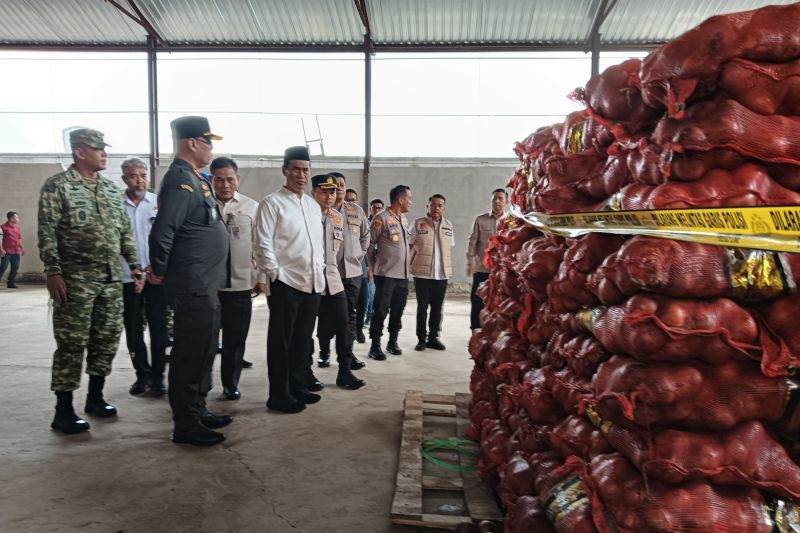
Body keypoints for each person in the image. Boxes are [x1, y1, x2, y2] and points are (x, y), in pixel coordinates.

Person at [38, 128, 143, 435]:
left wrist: (135, 265)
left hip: (111, 279)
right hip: (75, 279)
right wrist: (53, 272)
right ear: (80, 152)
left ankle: (95, 398)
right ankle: (63, 410)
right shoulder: (57, 186)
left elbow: (124, 231)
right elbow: (47, 230)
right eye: (98, 149)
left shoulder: (110, 189)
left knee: (106, 339)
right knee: (72, 343)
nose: (104, 154)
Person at [149, 116, 232, 447]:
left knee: (205, 351)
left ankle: (198, 409)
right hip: (192, 283)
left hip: (205, 283)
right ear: (192, 143)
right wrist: (159, 270)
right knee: (189, 355)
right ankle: (185, 424)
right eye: (208, 142)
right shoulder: (180, 181)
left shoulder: (196, 180)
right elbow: (163, 231)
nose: (211, 148)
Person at [254, 146, 325, 414]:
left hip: (312, 282)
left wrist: (320, 271)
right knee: (281, 343)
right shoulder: (272, 203)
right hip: (287, 283)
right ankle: (279, 395)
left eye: (306, 170)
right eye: (295, 169)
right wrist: (275, 274)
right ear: (285, 170)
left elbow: (316, 244)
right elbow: (262, 244)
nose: (301, 175)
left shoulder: (312, 205)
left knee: (302, 341)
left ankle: (297, 386)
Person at [211, 156, 266, 401]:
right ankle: (202, 384)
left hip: (241, 284)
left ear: (238, 179)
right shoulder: (202, 204)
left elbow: (260, 245)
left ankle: (230, 383)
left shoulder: (251, 207)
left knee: (235, 338)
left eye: (230, 179)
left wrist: (260, 277)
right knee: (207, 339)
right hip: (209, 286)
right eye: (219, 180)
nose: (225, 185)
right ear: (211, 180)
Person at [119, 158, 169, 397]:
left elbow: (168, 238)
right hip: (127, 277)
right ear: (124, 179)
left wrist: (160, 267)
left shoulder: (158, 203)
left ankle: (158, 377)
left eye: (143, 175)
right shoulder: (116, 205)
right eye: (133, 176)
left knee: (159, 328)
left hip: (156, 277)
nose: (139, 180)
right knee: (133, 328)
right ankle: (142, 375)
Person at [310, 174, 365, 389]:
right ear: (313, 193)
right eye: (323, 192)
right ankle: (305, 372)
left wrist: (356, 258)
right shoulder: (307, 215)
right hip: (310, 280)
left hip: (334, 279)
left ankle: (344, 372)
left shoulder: (337, 217)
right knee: (307, 329)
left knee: (345, 324)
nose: (329, 196)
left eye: (332, 191)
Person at [367, 185, 412, 360]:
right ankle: (375, 345)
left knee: (398, 310)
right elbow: (370, 244)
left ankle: (392, 341)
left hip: (402, 275)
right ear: (400, 200)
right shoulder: (381, 218)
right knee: (380, 310)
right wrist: (371, 267)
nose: (410, 202)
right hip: (386, 274)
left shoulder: (404, 219)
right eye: (409, 198)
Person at [409, 194, 455, 351]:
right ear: (428, 206)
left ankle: (433, 337)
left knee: (437, 308)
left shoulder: (448, 225)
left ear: (444, 208)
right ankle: (421, 339)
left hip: (441, 274)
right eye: (433, 205)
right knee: (422, 308)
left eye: (440, 205)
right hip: (422, 274)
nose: (436, 208)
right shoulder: (418, 223)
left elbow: (449, 246)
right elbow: (409, 244)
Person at [467, 188, 508, 331]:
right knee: (477, 300)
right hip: (482, 269)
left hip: (502, 271)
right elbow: (472, 242)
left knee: (500, 301)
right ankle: (476, 330)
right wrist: (470, 262)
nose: (497, 201)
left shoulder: (511, 222)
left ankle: (495, 331)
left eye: (500, 198)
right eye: (494, 198)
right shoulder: (481, 220)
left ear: (506, 201)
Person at [356, 198, 384, 335]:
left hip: (382, 266)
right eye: (374, 208)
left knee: (376, 295)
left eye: (379, 208)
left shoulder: (385, 222)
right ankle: (366, 320)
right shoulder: (366, 223)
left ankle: (370, 319)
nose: (377, 210)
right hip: (367, 265)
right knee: (368, 294)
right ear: (370, 209)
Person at [0, 211, 24, 288]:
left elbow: (19, 238)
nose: (18, 219)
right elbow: (0, 239)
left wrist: (22, 248)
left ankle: (10, 283)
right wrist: (1, 249)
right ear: (11, 218)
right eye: (16, 217)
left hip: (16, 251)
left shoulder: (17, 227)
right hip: (6, 251)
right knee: (3, 267)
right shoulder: (2, 227)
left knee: (15, 268)